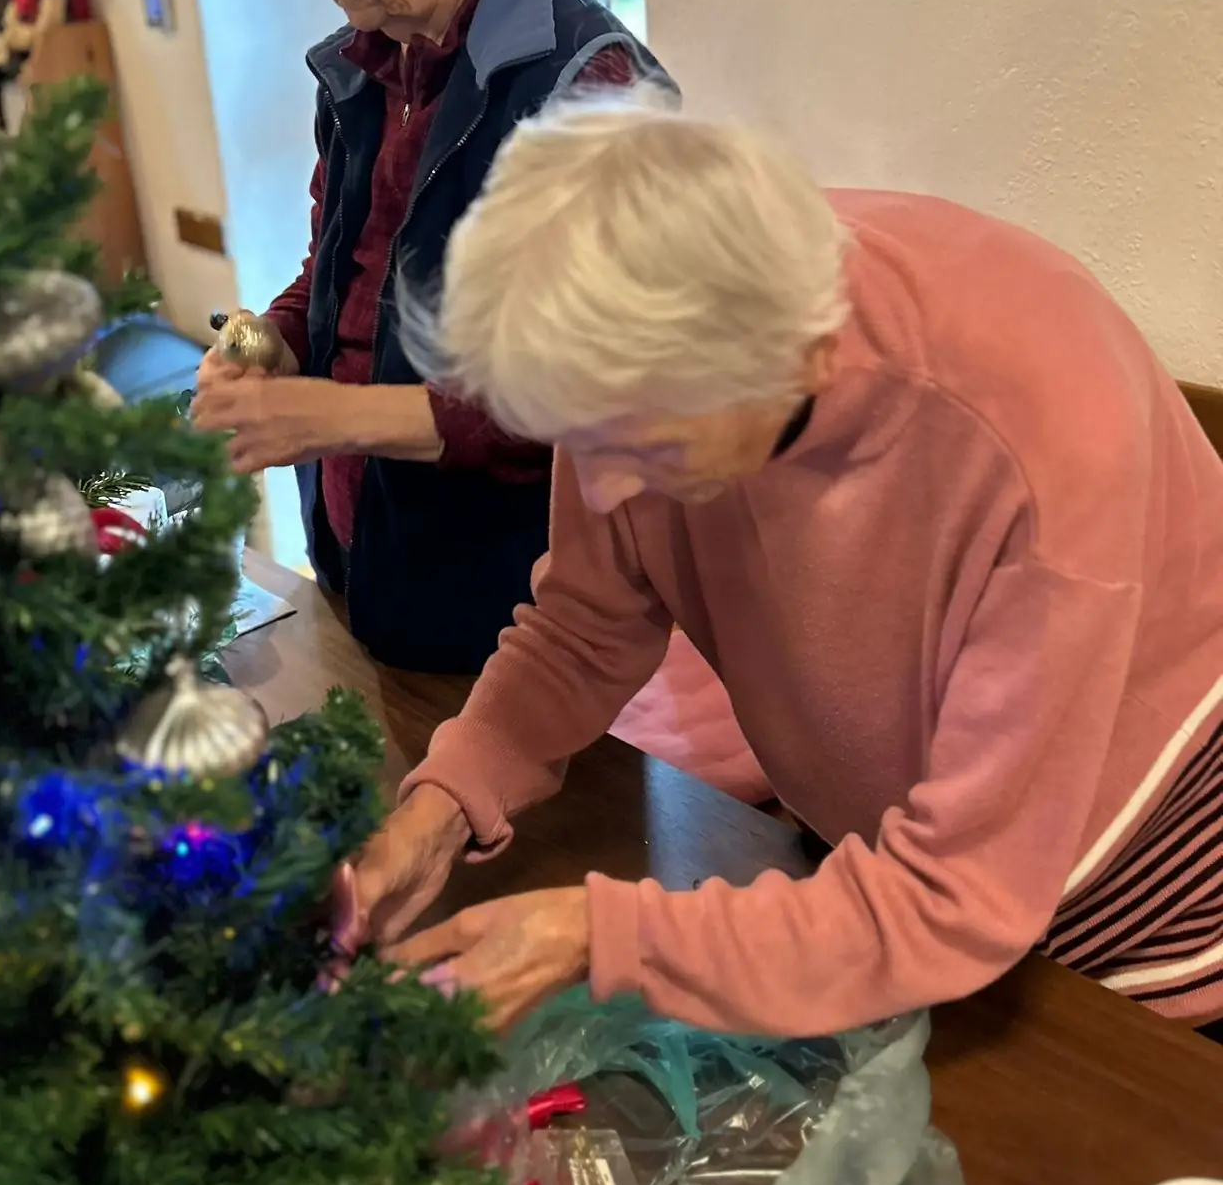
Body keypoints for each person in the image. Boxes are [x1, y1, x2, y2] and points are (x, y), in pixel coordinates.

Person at [335, 98, 1223, 1035]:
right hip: (894, 883)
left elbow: (956, 902)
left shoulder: (1045, 430)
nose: (600, 491)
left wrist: (600, 935)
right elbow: (582, 630)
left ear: (795, 359)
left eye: (639, 446)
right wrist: (441, 804)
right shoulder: (645, 351)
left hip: (1142, 928)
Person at [190, 0, 671, 673]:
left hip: (523, 631)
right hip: (366, 573)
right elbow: (340, 273)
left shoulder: (589, 87)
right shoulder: (360, 68)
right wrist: (276, 340)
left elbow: (588, 393)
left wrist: (329, 417)